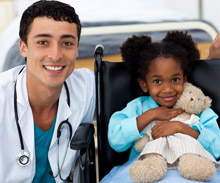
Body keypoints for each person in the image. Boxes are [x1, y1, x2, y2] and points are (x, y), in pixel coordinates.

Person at [0, 1, 95, 183]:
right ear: (23, 47)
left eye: (67, 43)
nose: (56, 55)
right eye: (43, 42)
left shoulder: (88, 87)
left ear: (77, 49)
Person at [106, 31, 220, 182]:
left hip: (191, 170)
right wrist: (150, 115)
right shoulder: (138, 107)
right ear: (144, 84)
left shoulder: (198, 108)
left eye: (175, 79)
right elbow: (116, 141)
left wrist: (181, 128)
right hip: (146, 169)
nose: (167, 89)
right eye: (157, 82)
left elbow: (216, 148)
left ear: (184, 78)